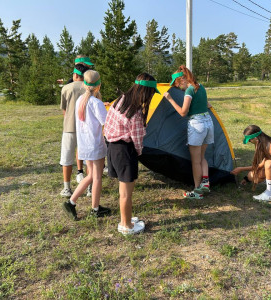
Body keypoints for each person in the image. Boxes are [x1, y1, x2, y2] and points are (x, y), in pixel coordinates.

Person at [104, 73, 160, 235]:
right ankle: (127, 226)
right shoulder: (135, 113)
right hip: (125, 151)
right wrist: (138, 153)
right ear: (145, 92)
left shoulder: (120, 100)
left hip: (113, 147)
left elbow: (107, 125)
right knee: (126, 193)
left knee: (123, 191)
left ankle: (125, 219)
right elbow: (137, 140)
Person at [62, 70, 111, 220]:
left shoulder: (80, 100)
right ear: (99, 85)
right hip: (95, 144)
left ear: (84, 84)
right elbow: (106, 123)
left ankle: (72, 202)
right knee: (96, 177)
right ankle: (94, 209)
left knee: (91, 176)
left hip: (84, 144)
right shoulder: (96, 103)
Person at [163, 65, 214, 200]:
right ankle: (205, 182)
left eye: (177, 84)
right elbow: (208, 105)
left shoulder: (189, 91)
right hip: (208, 122)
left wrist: (170, 99)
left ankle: (197, 191)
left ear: (182, 80)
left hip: (197, 125)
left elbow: (183, 112)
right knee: (202, 157)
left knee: (195, 161)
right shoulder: (200, 87)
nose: (179, 88)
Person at [230, 125, 271, 202]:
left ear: (255, 138)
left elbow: (262, 165)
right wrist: (247, 178)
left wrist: (241, 169)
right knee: (251, 176)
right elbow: (259, 164)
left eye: (249, 140)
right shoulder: (258, 144)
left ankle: (269, 194)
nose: (249, 142)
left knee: (269, 163)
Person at [59, 64, 90, 197]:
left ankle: (67, 188)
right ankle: (90, 188)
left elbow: (64, 109)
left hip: (69, 127)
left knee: (67, 158)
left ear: (75, 75)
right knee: (89, 159)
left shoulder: (66, 88)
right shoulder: (91, 88)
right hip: (87, 128)